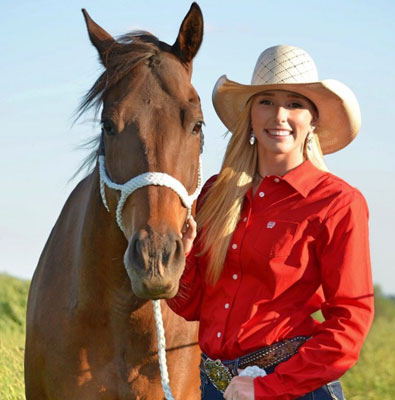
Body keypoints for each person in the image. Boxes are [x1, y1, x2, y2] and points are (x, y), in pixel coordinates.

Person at [167, 45, 374, 400]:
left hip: (291, 390)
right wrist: (181, 260)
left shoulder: (337, 203)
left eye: (295, 104)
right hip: (215, 389)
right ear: (250, 115)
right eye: (266, 102)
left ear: (313, 120)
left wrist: (267, 388)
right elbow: (190, 307)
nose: (279, 115)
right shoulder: (216, 194)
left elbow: (350, 324)